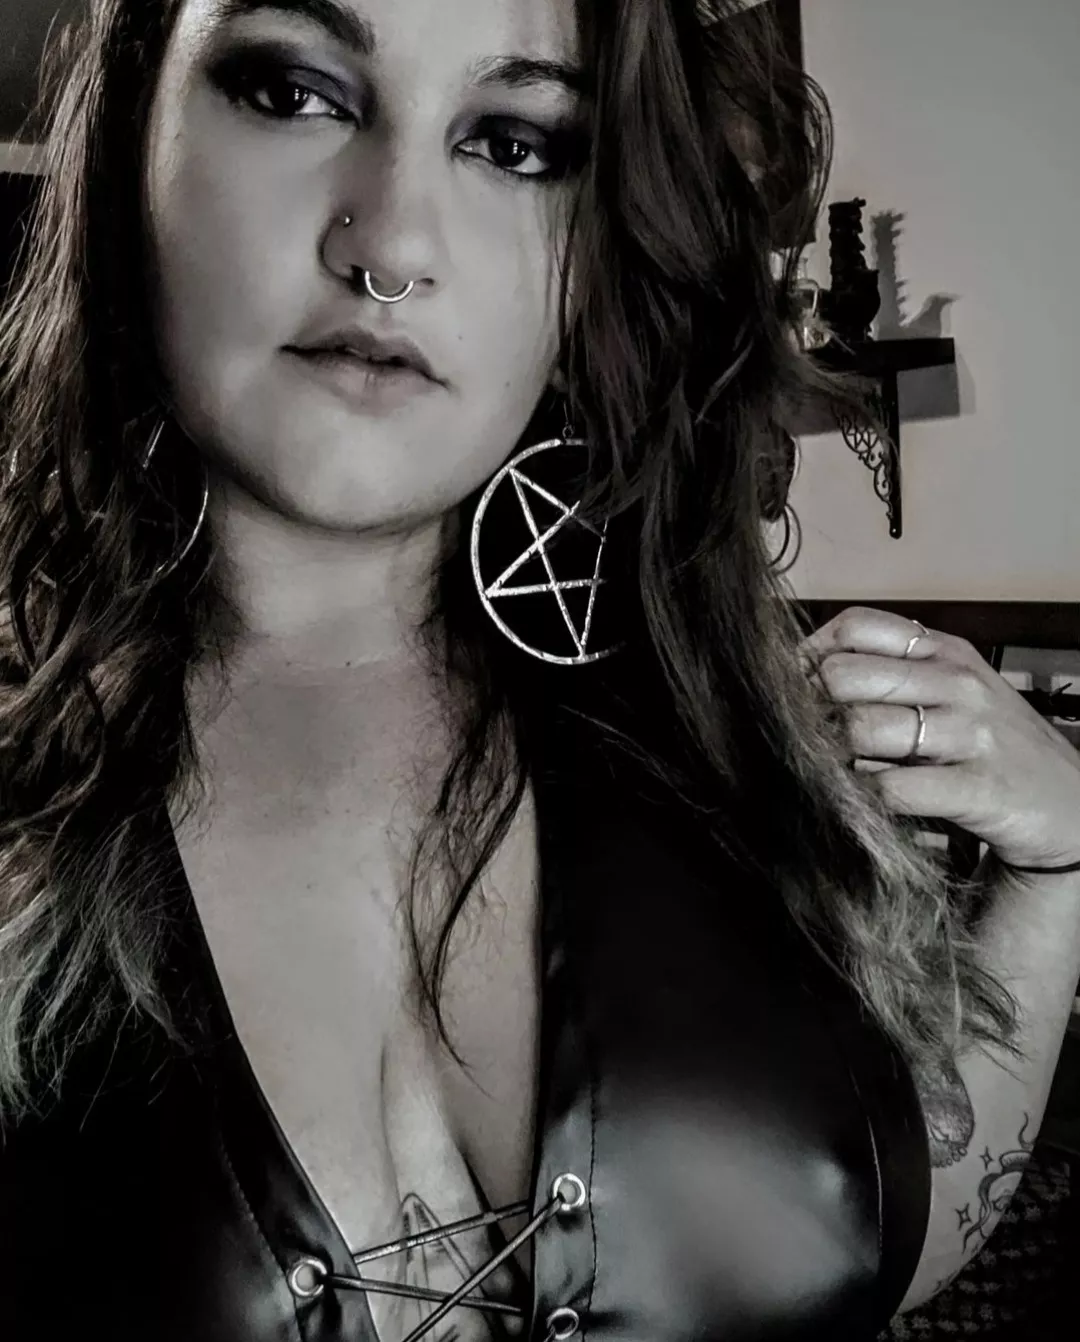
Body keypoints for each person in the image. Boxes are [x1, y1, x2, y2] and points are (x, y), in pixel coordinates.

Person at [3, 2, 1080, 1340]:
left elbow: (870, 1229)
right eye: (292, 93)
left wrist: (1057, 872)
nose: (392, 246)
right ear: (132, 135)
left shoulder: (722, 736)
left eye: (514, 144)